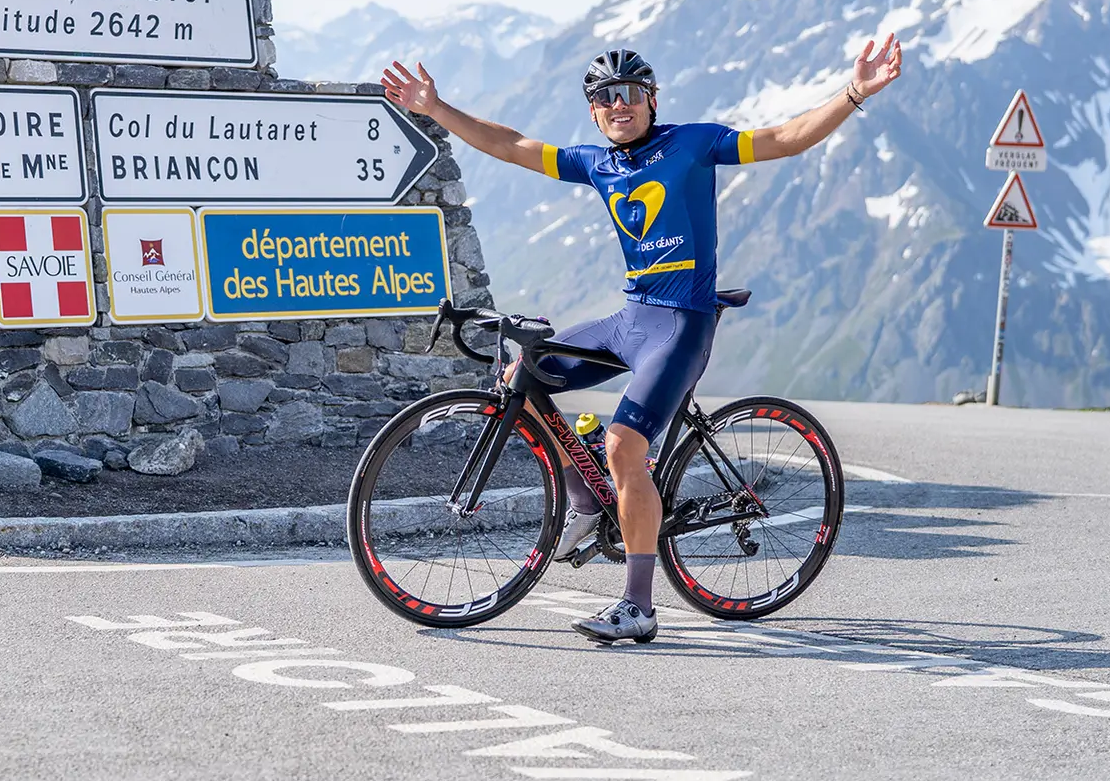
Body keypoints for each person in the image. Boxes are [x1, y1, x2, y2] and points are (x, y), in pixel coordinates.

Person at [380, 38, 903, 642]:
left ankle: (638, 607)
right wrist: (438, 109)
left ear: (651, 100)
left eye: (628, 94)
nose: (617, 105)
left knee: (624, 446)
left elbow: (784, 138)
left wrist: (854, 92)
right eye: (603, 97)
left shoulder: (693, 144)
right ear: (594, 111)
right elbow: (514, 145)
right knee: (521, 372)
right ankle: (582, 501)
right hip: (632, 319)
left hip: (681, 323)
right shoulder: (599, 163)